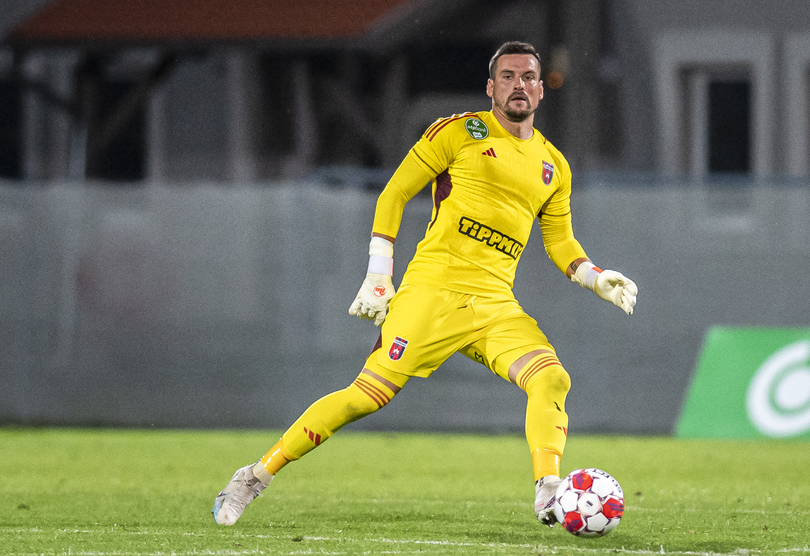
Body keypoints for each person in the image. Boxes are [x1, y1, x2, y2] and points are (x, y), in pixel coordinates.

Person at [212, 41, 638, 527]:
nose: (518, 85)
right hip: (431, 293)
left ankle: (548, 489)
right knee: (363, 398)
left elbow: (560, 241)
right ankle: (254, 476)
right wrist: (379, 273)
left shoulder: (554, 165)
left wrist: (595, 277)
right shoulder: (458, 132)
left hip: (494, 305)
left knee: (551, 377)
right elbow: (394, 193)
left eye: (528, 77)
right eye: (507, 76)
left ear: (541, 90)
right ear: (491, 87)